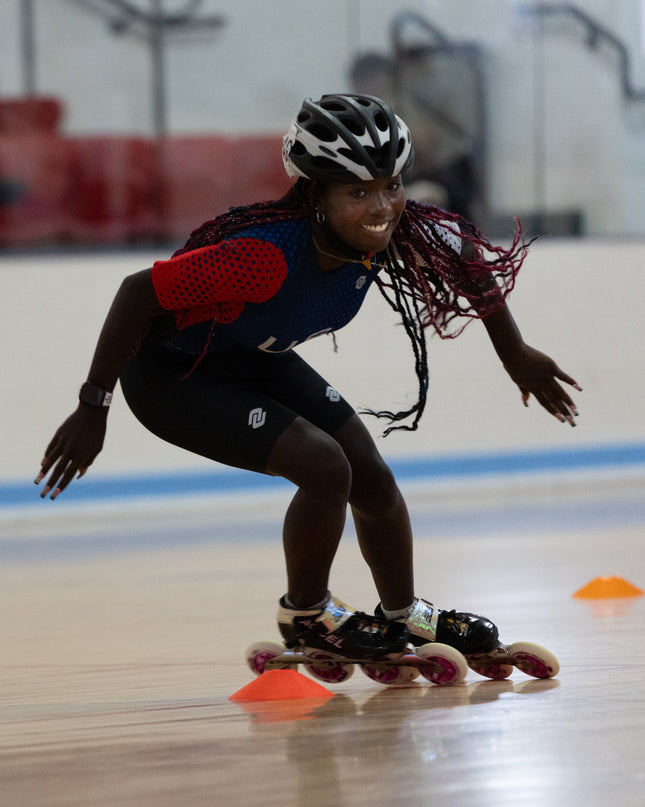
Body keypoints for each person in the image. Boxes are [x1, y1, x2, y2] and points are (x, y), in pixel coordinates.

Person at [35, 94, 581, 661]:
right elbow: (137, 292)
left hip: (249, 353)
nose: (381, 207)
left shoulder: (398, 229)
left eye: (391, 185)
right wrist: (93, 405)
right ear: (316, 196)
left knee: (371, 476)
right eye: (357, 193)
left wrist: (515, 353)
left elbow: (468, 262)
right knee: (324, 466)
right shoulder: (263, 256)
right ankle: (308, 616)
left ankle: (407, 617)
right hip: (171, 374)